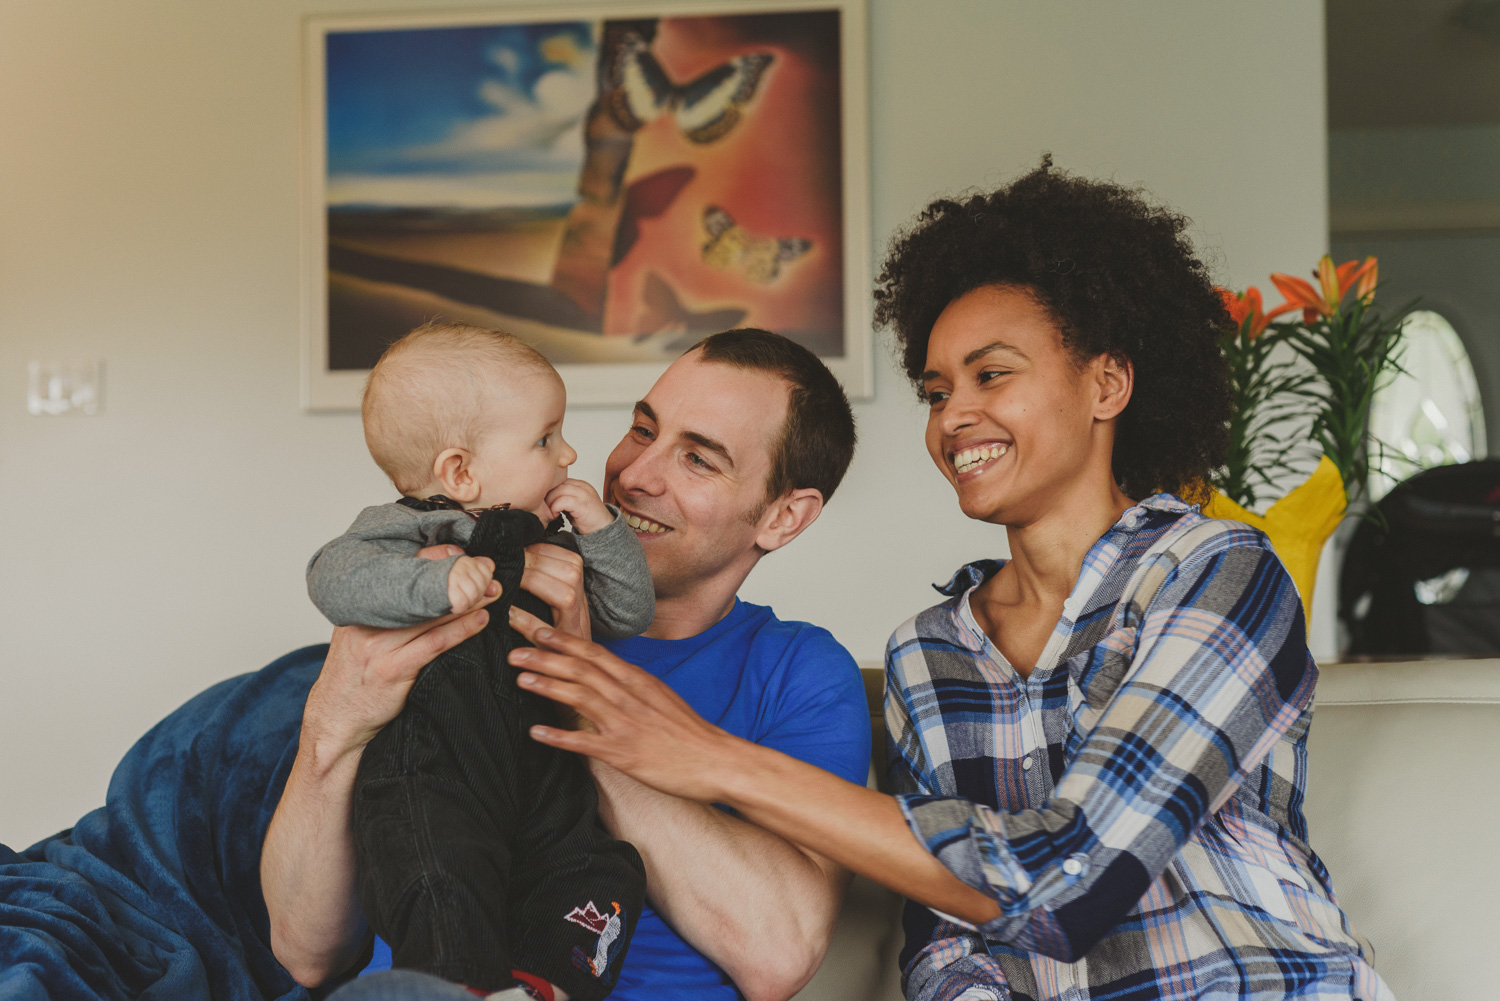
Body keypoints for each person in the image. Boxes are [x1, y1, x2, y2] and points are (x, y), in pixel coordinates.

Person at [504, 161, 1395, 1000]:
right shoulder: (930, 653)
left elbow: (1067, 879)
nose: (954, 416)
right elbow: (946, 947)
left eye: (991, 375)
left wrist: (705, 756)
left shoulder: (1218, 573)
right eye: (935, 392)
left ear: (1108, 383)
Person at [262, 328, 871, 1001]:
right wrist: (331, 729)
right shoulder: (445, 592)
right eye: (644, 428)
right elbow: (305, 954)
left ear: (784, 516)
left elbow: (777, 950)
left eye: (698, 458)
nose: (634, 475)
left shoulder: (798, 671)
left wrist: (576, 689)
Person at [307, 322, 654, 999]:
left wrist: (603, 533)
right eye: (546, 439)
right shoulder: (411, 529)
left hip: (543, 774)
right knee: (442, 880)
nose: (569, 453)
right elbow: (332, 577)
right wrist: (434, 585)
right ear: (461, 472)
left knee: (605, 871)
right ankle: (457, 987)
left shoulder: (555, 538)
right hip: (436, 772)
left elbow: (629, 612)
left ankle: (539, 985)